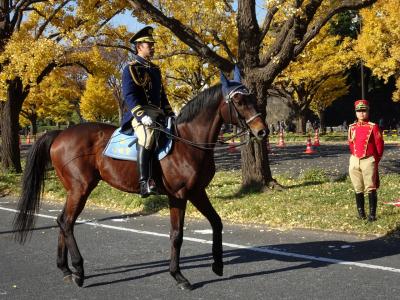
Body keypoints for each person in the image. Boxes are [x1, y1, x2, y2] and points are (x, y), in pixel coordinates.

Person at [121, 26, 175, 198]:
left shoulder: (155, 69)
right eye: (149, 44)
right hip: (141, 115)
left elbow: (162, 96)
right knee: (148, 136)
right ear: (139, 47)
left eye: (152, 44)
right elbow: (129, 95)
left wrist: (171, 114)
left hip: (158, 113)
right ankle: (144, 182)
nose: (152, 47)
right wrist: (141, 116)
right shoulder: (131, 68)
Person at [348, 99, 384, 221]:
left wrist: (375, 160)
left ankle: (372, 215)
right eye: (359, 111)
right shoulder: (351, 127)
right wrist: (354, 157)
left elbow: (379, 146)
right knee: (358, 187)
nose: (361, 113)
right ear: (355, 112)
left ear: (368, 111)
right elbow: (351, 144)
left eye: (364, 111)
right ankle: (361, 214)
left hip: (368, 159)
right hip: (354, 159)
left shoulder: (373, 127)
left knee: (370, 187)